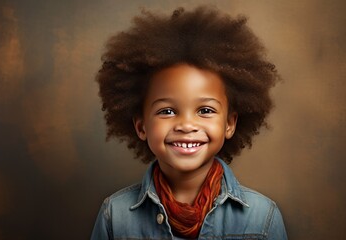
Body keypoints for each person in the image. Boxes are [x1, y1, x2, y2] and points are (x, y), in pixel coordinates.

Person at [91, 6, 287, 240]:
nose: (186, 125)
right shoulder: (114, 216)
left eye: (205, 110)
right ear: (141, 126)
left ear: (230, 124)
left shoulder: (262, 218)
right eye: (167, 111)